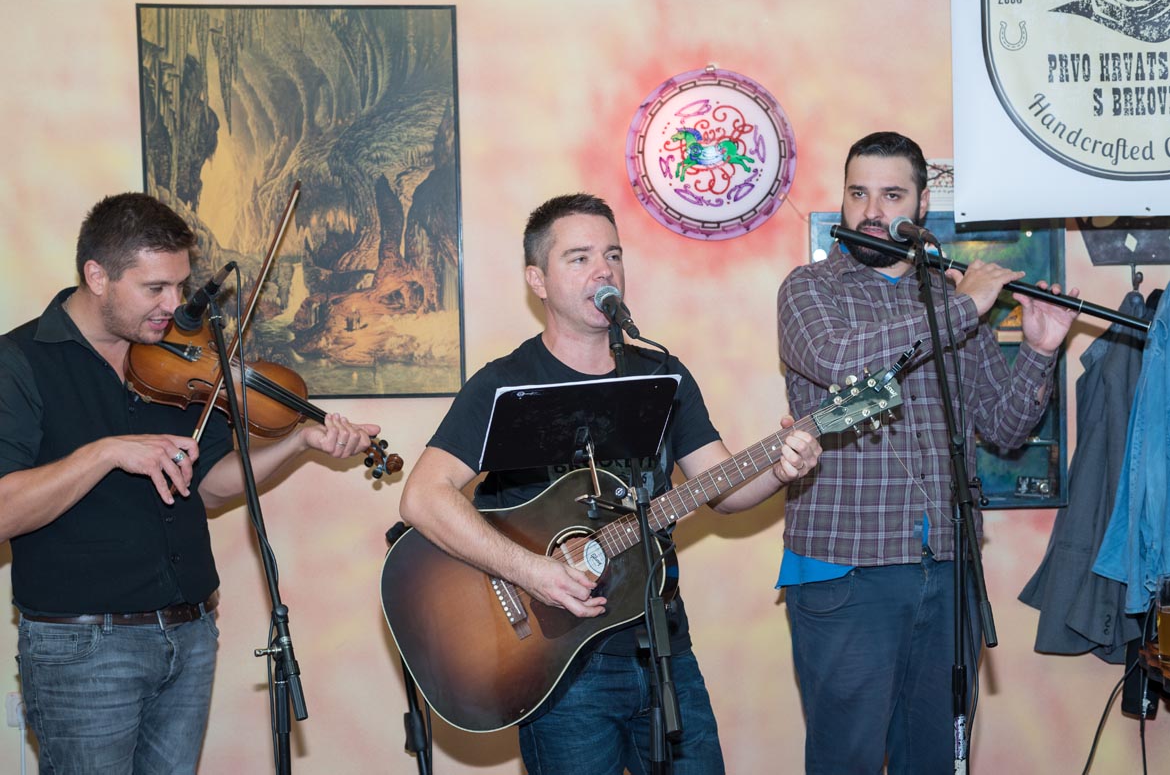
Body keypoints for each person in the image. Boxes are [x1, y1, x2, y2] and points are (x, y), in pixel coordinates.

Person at [399, 192, 821, 774]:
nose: (604, 270)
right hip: (557, 664)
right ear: (537, 280)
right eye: (579, 258)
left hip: (663, 649)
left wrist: (780, 468)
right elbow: (423, 497)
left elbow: (720, 488)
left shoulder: (661, 374)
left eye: (613, 255)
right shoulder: (506, 384)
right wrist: (532, 572)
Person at [0, 192, 380, 774]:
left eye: (180, 286)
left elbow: (208, 487)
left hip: (191, 632)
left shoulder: (173, 361)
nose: (174, 306)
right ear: (97, 277)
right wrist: (105, 452)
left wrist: (298, 442)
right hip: (84, 650)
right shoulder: (20, 363)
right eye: (155, 288)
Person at [776, 131, 1080, 773]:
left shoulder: (949, 301)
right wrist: (963, 307)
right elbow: (839, 363)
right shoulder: (809, 290)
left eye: (891, 195)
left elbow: (1004, 428)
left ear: (921, 206)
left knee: (937, 760)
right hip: (844, 572)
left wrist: (1039, 349)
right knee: (847, 761)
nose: (871, 212)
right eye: (858, 193)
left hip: (947, 567)